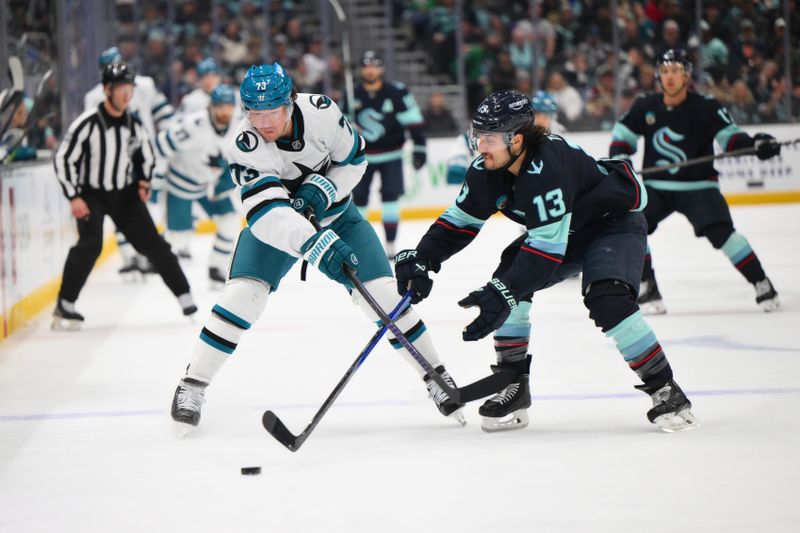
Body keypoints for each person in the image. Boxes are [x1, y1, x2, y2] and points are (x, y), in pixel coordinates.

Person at [169, 63, 464, 433]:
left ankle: (435, 376)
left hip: (340, 218)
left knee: (385, 297)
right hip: (276, 231)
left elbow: (354, 162)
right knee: (242, 297)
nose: (264, 122)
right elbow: (267, 214)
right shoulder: (243, 143)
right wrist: (316, 245)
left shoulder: (322, 112)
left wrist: (322, 191)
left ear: (289, 101)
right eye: (254, 113)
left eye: (272, 111)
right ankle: (192, 384)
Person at [394, 90, 699, 433]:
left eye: (489, 138)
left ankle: (666, 389)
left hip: (613, 223)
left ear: (517, 139)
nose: (480, 147)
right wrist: (423, 257)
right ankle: (515, 384)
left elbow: (545, 251)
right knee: (510, 279)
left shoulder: (547, 164)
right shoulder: (487, 168)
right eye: (477, 136)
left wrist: (504, 292)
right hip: (566, 230)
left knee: (606, 298)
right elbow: (459, 222)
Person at [608, 49, 781, 313]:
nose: (669, 77)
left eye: (675, 71)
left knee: (724, 235)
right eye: (665, 71)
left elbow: (731, 140)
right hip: (656, 187)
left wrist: (756, 144)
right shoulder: (646, 105)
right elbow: (622, 136)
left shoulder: (707, 106)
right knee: (631, 224)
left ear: (686, 75)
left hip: (699, 187)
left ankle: (762, 282)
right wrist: (621, 160)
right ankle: (648, 285)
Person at [53, 62, 197, 331]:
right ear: (107, 90)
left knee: (154, 245)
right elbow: (63, 159)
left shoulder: (134, 122)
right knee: (91, 244)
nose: (127, 93)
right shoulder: (87, 124)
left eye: (129, 88)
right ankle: (66, 302)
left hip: (125, 194)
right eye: (121, 88)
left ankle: (184, 294)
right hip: (91, 193)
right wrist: (74, 196)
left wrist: (144, 180)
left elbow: (147, 154)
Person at [85, 46, 177, 278]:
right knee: (122, 208)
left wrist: (164, 143)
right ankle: (131, 258)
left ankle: (148, 256)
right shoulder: (95, 96)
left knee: (151, 207)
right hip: (117, 162)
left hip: (146, 157)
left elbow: (163, 114)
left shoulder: (143, 85)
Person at [153, 84, 239, 284]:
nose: (225, 111)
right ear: (211, 106)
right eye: (221, 106)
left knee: (230, 220)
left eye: (229, 106)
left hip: (208, 187)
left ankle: (216, 266)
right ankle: (154, 254)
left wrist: (225, 182)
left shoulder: (237, 124)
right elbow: (160, 145)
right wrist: (155, 179)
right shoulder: (194, 125)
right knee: (179, 239)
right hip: (179, 187)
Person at [348, 50, 427, 259]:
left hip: (391, 155)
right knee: (360, 200)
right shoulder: (351, 93)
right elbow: (339, 125)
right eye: (366, 66)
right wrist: (349, 127)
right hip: (362, 158)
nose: (370, 70)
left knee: (390, 198)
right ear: (361, 69)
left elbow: (414, 121)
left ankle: (390, 244)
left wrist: (420, 147)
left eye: (374, 65)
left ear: (381, 69)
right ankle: (359, 243)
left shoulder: (396, 92)